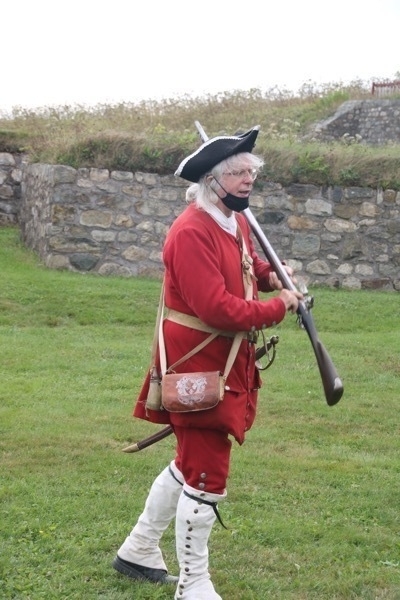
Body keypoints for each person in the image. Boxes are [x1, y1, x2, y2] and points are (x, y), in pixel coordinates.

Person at [112, 126, 303, 600]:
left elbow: (247, 262)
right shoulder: (189, 231)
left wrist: (274, 275)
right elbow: (216, 307)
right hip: (198, 360)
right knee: (205, 470)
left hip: (227, 357)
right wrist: (280, 306)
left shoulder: (231, 219)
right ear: (212, 181)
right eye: (238, 172)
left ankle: (138, 549)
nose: (248, 180)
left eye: (250, 172)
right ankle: (192, 585)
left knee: (192, 458)